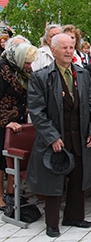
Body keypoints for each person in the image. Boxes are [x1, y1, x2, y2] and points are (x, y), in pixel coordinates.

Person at [26, 33, 91, 237]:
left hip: (79, 136)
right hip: (55, 139)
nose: (69, 51)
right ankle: (52, 224)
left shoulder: (82, 74)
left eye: (71, 47)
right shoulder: (41, 77)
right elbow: (37, 112)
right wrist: (51, 137)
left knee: (79, 178)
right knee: (53, 181)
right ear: (53, 50)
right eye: (64, 48)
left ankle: (74, 216)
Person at [0, 43, 38, 211]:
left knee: (14, 159)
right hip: (3, 122)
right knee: (1, 161)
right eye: (27, 62)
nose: (29, 66)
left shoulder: (21, 71)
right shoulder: (2, 70)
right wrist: (5, 121)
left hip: (18, 120)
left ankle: (11, 193)